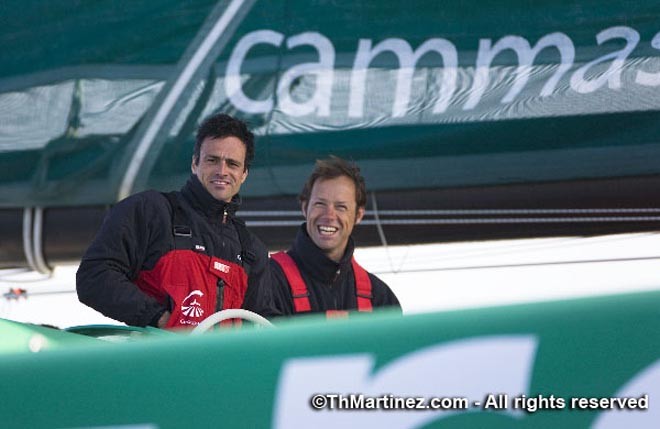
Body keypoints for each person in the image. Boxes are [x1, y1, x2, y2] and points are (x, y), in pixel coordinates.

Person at [76, 113, 277, 329]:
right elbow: (94, 277)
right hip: (156, 359)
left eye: (232, 164)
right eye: (212, 160)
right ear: (194, 163)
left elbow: (263, 325)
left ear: (244, 174)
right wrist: (161, 318)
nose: (222, 171)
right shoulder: (150, 211)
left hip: (223, 362)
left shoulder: (252, 250)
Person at [270, 156, 400, 317]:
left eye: (341, 207)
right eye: (320, 204)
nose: (329, 216)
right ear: (305, 208)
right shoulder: (268, 280)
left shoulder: (381, 300)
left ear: (358, 215)